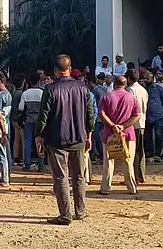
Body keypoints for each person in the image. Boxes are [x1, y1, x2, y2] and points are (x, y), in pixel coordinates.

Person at [35, 55, 94, 225]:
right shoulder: (83, 88)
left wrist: (39, 136)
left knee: (61, 178)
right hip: (79, 137)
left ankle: (65, 214)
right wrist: (89, 135)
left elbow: (43, 116)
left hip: (57, 139)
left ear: (55, 70)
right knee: (79, 177)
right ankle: (80, 211)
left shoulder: (50, 89)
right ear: (70, 67)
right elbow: (90, 114)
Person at [98, 75, 141, 195]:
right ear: (126, 84)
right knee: (128, 161)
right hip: (128, 134)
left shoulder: (106, 97)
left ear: (113, 83)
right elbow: (137, 115)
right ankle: (131, 187)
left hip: (109, 135)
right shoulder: (131, 97)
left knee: (108, 162)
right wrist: (123, 126)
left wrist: (113, 126)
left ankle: (105, 188)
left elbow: (101, 114)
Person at [125, 69, 148, 184]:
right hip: (142, 122)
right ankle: (141, 175)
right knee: (141, 150)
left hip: (133, 124)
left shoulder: (130, 90)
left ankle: (134, 176)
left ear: (129, 79)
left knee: (133, 152)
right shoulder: (143, 90)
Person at [19, 73, 45, 172]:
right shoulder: (42, 93)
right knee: (40, 142)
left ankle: (27, 164)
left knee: (28, 142)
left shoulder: (25, 93)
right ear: (39, 81)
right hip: (40, 121)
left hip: (29, 120)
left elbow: (21, 108)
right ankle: (41, 165)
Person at [0, 72, 13, 187]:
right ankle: (4, 177)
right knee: (2, 152)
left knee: (2, 153)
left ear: (0, 82)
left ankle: (5, 178)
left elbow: (1, 114)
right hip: (3, 126)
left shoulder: (2, 95)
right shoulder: (4, 94)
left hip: (0, 127)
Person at [145, 70, 163, 162]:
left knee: (159, 136)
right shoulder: (143, 89)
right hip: (147, 116)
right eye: (145, 78)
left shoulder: (159, 89)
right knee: (148, 136)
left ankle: (157, 154)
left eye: (148, 78)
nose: (146, 80)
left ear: (152, 79)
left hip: (158, 116)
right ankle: (150, 153)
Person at [10, 74, 26, 165]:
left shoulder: (13, 93)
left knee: (16, 139)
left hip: (13, 118)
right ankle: (24, 158)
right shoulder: (21, 94)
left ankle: (16, 157)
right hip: (19, 118)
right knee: (23, 139)